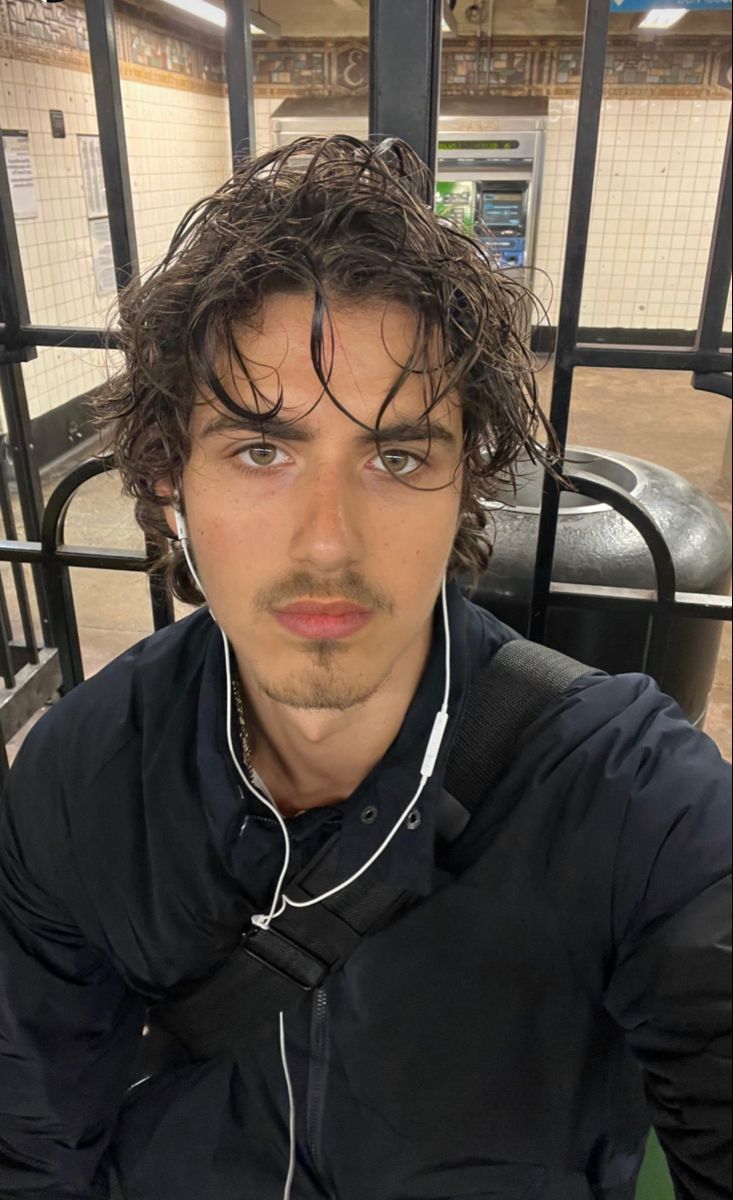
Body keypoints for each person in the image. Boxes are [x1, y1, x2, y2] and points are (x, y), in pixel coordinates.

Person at [0, 137, 730, 1200]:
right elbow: (30, 1146)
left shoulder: (630, 803)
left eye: (396, 457)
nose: (328, 541)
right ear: (168, 484)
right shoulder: (82, 778)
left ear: (465, 485)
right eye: (261, 451)